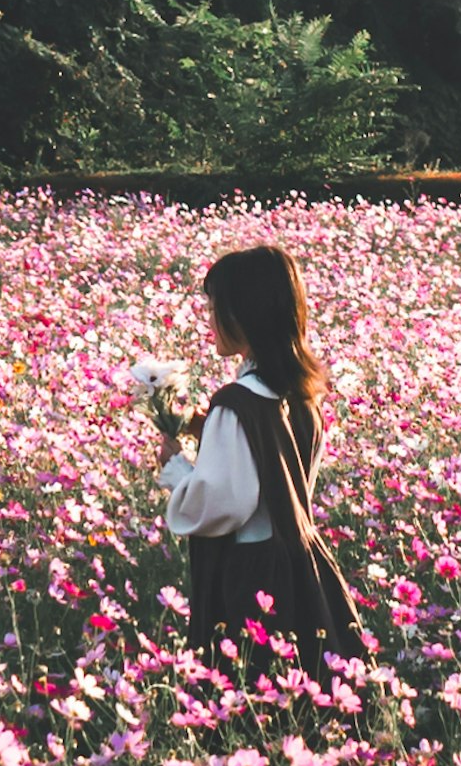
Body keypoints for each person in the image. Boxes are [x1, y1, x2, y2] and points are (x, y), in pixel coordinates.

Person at [149, 242, 361, 666]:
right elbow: (276, 471)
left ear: (244, 315)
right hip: (302, 568)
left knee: (251, 689)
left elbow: (222, 505)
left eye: (215, 310)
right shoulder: (302, 395)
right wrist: (206, 427)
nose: (210, 322)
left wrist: (176, 470)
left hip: (254, 578)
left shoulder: (238, 402)